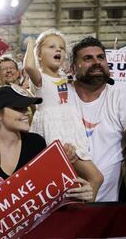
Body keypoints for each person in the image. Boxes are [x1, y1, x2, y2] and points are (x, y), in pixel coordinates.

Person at [24, 30, 103, 200]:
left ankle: (82, 209)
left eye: (61, 47)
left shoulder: (64, 77)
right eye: (51, 47)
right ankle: (88, 210)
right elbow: (29, 66)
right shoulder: (40, 79)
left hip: (71, 129)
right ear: (39, 54)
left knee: (70, 181)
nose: (58, 50)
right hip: (55, 132)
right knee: (96, 177)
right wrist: (30, 43)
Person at [0, 85, 97, 201]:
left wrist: (81, 191)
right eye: (18, 108)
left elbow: (47, 189)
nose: (27, 113)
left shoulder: (35, 143)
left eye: (27, 107)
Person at [69, 36, 126, 201]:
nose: (96, 62)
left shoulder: (121, 97)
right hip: (61, 202)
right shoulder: (61, 95)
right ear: (72, 68)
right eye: (88, 58)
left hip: (105, 206)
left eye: (101, 57)